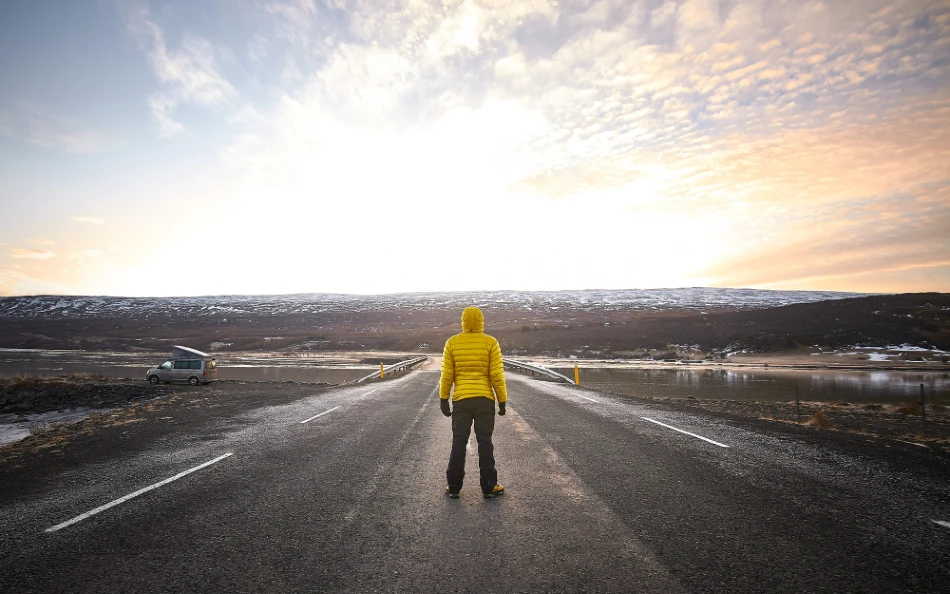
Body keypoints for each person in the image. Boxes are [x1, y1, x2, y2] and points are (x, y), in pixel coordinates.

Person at [439, 306, 508, 499]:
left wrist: (444, 399)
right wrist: (502, 400)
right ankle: (489, 487)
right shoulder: (490, 342)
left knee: (458, 441)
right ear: (481, 321)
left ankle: (453, 487)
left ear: (463, 321)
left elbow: (447, 376)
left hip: (461, 400)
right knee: (485, 441)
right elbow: (496, 375)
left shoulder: (452, 343)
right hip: (485, 400)